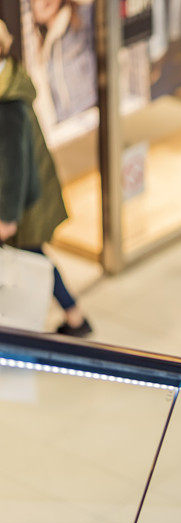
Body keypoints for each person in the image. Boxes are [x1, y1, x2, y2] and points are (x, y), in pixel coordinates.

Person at [0, 19, 92, 337]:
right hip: (26, 196)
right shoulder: (10, 80)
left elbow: (13, 166)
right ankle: (76, 317)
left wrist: (8, 218)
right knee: (35, 256)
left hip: (21, 204)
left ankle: (75, 318)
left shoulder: (9, 104)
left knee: (33, 258)